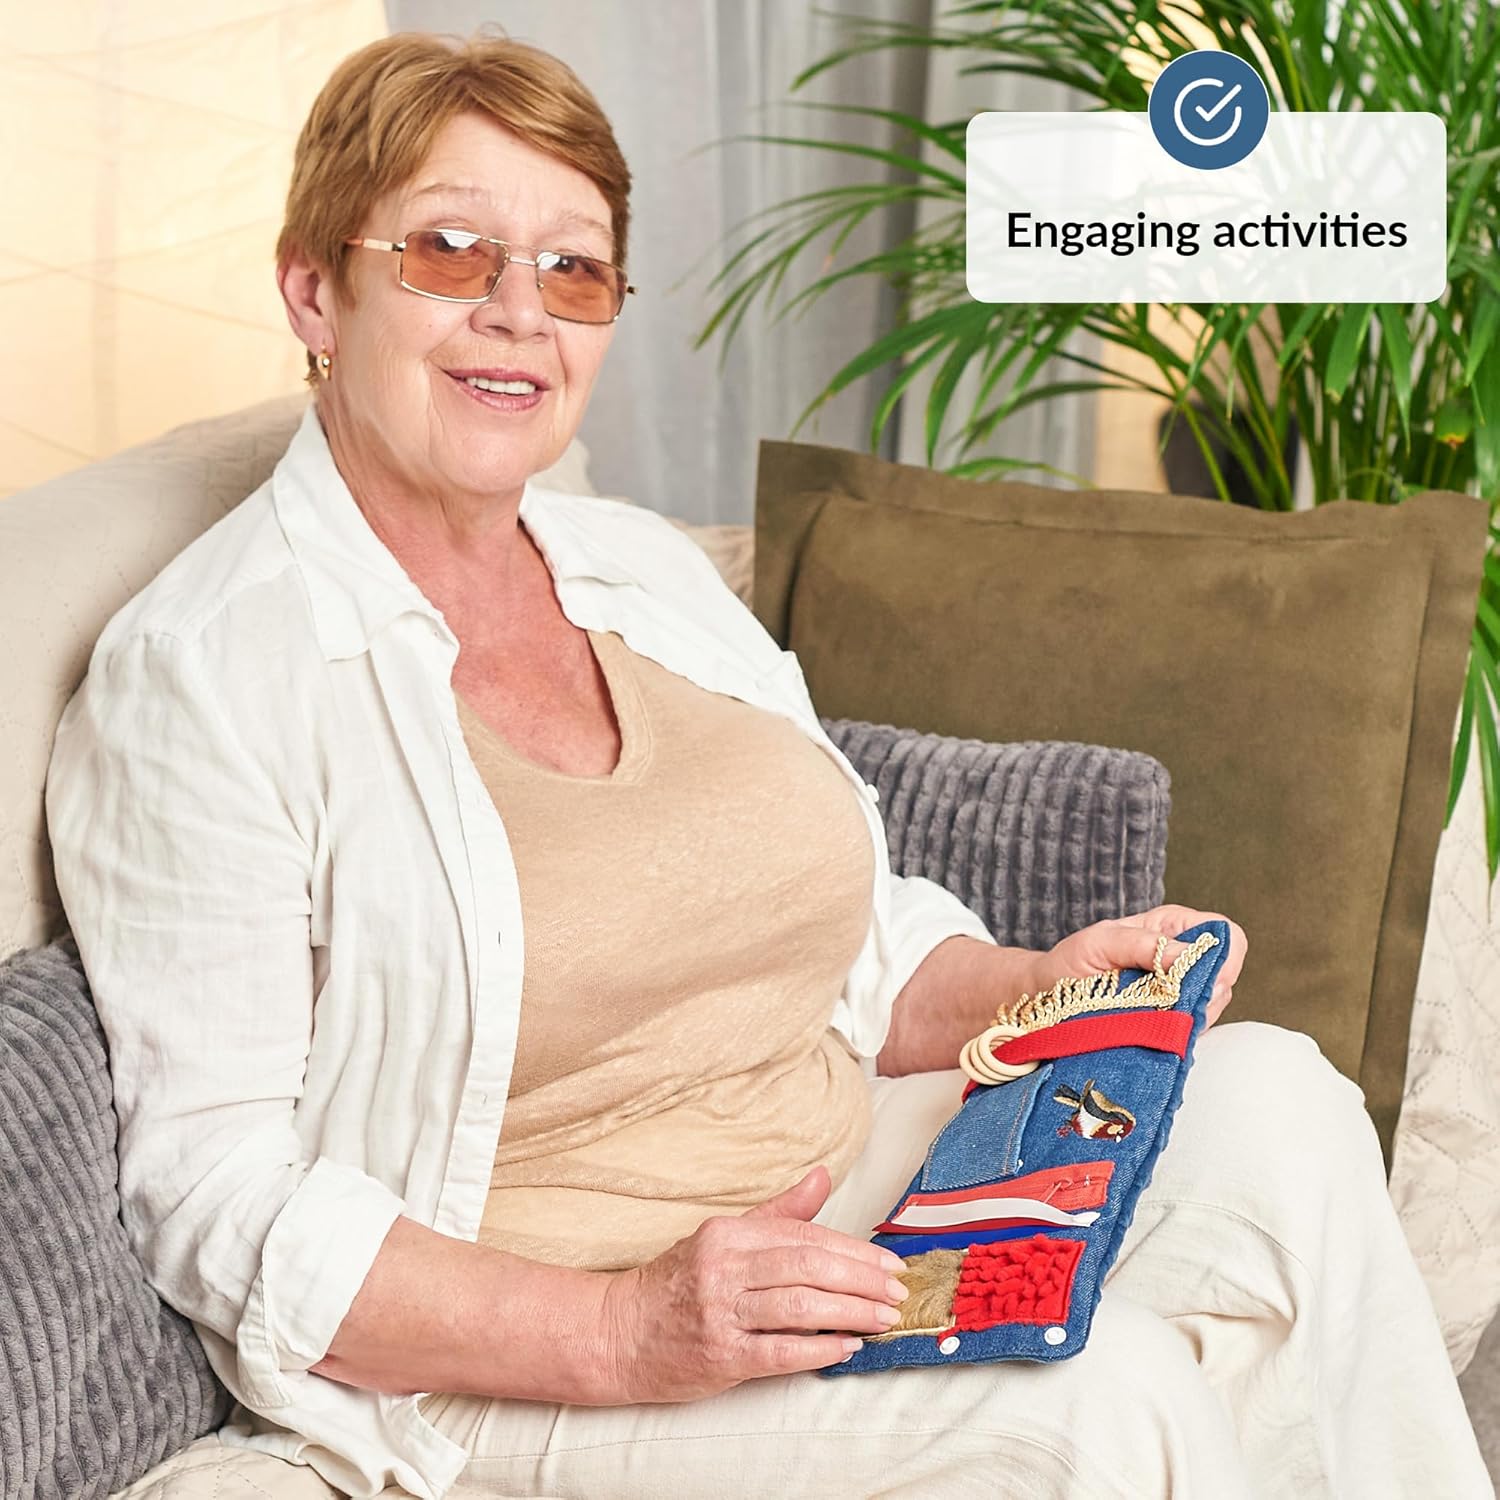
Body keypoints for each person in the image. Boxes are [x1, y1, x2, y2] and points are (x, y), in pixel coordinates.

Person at [43, 31, 1489, 1500]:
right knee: (1098, 1403)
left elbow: (866, 938)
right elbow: (210, 1194)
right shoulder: (203, 676)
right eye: (447, 251)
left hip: (842, 1181)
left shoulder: (632, 566)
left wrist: (1048, 988)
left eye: (572, 271)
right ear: (314, 288)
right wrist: (627, 1332)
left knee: (1280, 1102)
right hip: (526, 1349)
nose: (515, 316)